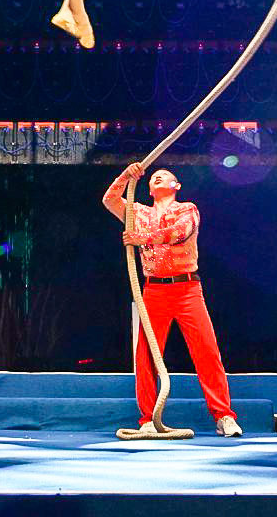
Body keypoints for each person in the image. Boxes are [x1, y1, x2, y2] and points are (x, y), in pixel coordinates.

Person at [101, 162, 238, 437]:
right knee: (146, 355)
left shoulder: (187, 209)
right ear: (149, 189)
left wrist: (141, 238)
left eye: (163, 176)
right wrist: (126, 176)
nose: (157, 177)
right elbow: (110, 199)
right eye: (153, 177)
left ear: (176, 186)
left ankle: (223, 415)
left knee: (206, 350)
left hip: (187, 289)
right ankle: (147, 419)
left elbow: (180, 233)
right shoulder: (138, 213)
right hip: (154, 291)